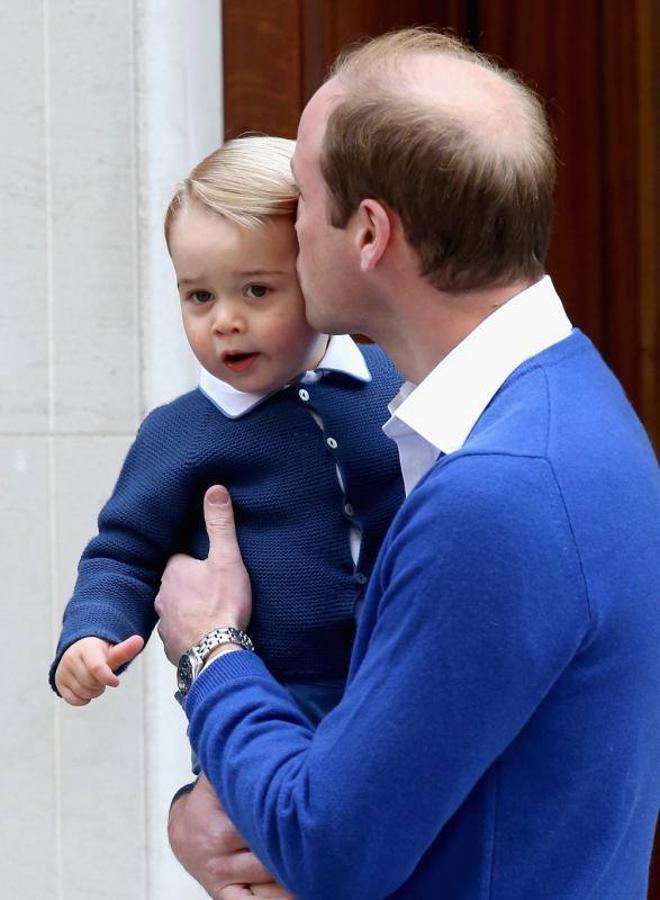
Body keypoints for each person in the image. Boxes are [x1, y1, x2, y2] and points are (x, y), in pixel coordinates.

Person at [156, 27, 660, 900]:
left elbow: (330, 848)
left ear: (369, 234)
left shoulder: (502, 492)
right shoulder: (573, 401)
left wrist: (211, 649)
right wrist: (205, 811)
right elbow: (384, 776)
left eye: (300, 198)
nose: (286, 226)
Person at [49, 137, 404, 829]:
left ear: (319, 273)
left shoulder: (396, 387)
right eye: (199, 296)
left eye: (257, 290)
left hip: (395, 685)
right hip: (266, 700)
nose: (225, 320)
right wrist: (89, 636)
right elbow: (124, 554)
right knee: (273, 857)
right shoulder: (181, 435)